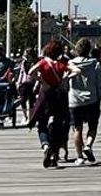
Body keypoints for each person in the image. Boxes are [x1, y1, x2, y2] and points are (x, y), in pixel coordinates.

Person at [29, 40, 70, 168]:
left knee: (42, 124)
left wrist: (41, 80)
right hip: (58, 97)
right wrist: (65, 78)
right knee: (58, 125)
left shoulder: (43, 62)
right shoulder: (61, 64)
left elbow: (30, 72)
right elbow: (76, 70)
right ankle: (54, 154)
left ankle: (46, 145)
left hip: (45, 96)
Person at [67, 38, 101, 166]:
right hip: (91, 99)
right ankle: (88, 145)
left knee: (77, 129)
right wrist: (99, 97)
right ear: (89, 50)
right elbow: (100, 84)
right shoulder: (95, 64)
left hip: (75, 100)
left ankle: (79, 157)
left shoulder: (70, 64)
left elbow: (66, 81)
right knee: (92, 126)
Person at [17, 48, 38, 121]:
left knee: (31, 101)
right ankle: (25, 116)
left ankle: (30, 117)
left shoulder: (35, 63)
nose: (24, 55)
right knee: (22, 100)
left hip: (32, 83)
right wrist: (19, 82)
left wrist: (36, 85)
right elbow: (21, 72)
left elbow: (38, 74)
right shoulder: (23, 62)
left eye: (25, 53)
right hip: (24, 83)